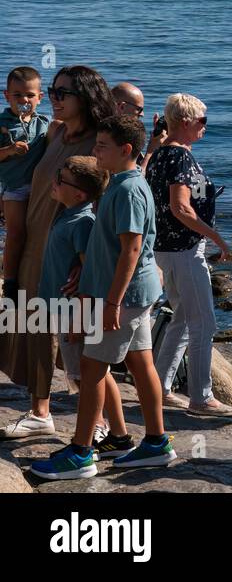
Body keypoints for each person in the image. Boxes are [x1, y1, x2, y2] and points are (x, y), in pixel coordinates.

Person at [31, 114, 171, 478]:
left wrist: (110, 303)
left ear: (125, 150)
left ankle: (80, 454)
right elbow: (110, 244)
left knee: (93, 368)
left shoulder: (125, 190)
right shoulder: (126, 180)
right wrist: (84, 267)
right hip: (136, 294)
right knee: (141, 363)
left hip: (121, 298)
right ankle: (155, 442)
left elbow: (131, 249)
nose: (94, 151)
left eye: (101, 146)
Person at [0, 65, 115, 441]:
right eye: (52, 91)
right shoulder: (54, 131)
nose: (54, 98)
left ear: (86, 98)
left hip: (70, 251)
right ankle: (40, 411)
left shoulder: (100, 143)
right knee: (36, 328)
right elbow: (21, 174)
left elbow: (107, 206)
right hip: (34, 241)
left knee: (77, 338)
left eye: (62, 93)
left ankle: (100, 423)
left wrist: (88, 263)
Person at [146, 93, 232, 418]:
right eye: (202, 121)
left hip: (164, 249)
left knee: (183, 318)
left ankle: (160, 387)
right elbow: (180, 207)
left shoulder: (158, 154)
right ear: (186, 122)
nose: (205, 127)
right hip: (184, 249)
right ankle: (201, 396)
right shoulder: (180, 158)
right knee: (203, 322)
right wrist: (217, 239)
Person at [33, 157, 114, 451]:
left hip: (74, 313)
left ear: (80, 194)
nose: (54, 182)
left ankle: (99, 425)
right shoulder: (68, 213)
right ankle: (100, 422)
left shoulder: (83, 221)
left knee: (83, 374)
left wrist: (80, 318)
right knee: (78, 370)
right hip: (60, 308)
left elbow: (89, 268)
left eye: (60, 179)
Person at [1, 66, 50, 300]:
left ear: (40, 98)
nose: (24, 100)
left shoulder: (44, 122)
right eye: (17, 95)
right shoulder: (3, 122)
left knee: (38, 233)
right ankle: (9, 280)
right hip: (13, 186)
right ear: (6, 96)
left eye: (30, 95)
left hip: (39, 188)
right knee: (17, 232)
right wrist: (9, 150)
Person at [110, 82, 165, 172]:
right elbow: (134, 177)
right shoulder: (112, 139)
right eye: (139, 109)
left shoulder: (113, 132)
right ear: (122, 107)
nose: (142, 114)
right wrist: (150, 151)